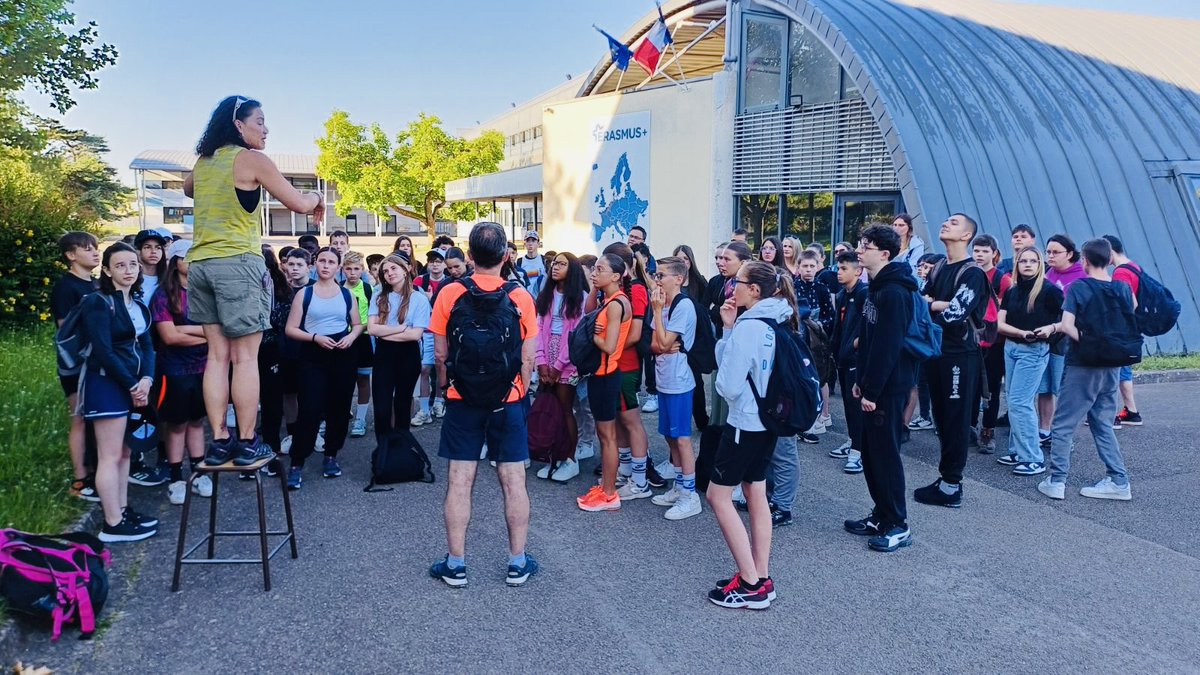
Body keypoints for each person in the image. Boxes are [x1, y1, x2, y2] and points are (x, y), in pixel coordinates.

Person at [183, 95, 324, 467]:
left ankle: (220, 440)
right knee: (246, 358)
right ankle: (246, 442)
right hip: (237, 264)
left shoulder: (204, 162)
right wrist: (316, 195)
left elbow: (187, 188)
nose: (265, 128)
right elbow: (298, 202)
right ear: (238, 124)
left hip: (199, 265)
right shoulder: (251, 159)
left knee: (217, 357)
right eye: (259, 121)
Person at [428, 222, 538, 587]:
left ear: (470, 256)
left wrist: (446, 389)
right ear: (507, 255)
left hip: (462, 397)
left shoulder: (449, 293)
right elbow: (527, 358)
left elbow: (440, 354)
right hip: (508, 398)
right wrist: (520, 392)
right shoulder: (521, 296)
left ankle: (456, 563)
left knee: (460, 480)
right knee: (513, 479)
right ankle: (517, 562)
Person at [708, 261, 797, 609]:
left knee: (718, 496)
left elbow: (727, 383)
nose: (733, 289)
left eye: (738, 283)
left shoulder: (750, 326)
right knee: (755, 492)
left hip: (746, 421)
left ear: (755, 290)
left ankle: (749, 583)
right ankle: (760, 575)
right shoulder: (779, 317)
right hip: (767, 421)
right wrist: (729, 329)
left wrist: (731, 334)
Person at [1036, 238, 1135, 502]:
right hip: (1112, 365)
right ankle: (1118, 481)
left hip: (1084, 363)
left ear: (1085, 261)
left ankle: (1056, 481)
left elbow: (1068, 325)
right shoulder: (1122, 288)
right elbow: (1133, 310)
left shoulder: (1079, 287)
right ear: (1109, 259)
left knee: (1063, 424)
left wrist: (1091, 342)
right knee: (1102, 423)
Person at [844, 224, 919, 552]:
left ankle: (898, 524)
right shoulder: (875, 286)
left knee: (886, 455)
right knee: (872, 454)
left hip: (889, 388)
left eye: (866, 246)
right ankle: (880, 514)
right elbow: (868, 341)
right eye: (860, 245)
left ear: (885, 254)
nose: (859, 251)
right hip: (873, 385)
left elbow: (889, 347)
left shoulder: (895, 292)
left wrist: (872, 392)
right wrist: (861, 382)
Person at [78, 243, 159, 542]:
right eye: (121, 265)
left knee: (126, 451)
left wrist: (147, 379)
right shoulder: (98, 303)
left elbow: (147, 345)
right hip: (106, 384)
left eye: (133, 265)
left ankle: (122, 510)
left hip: (134, 385)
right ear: (108, 270)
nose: (128, 271)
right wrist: (131, 384)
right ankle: (112, 523)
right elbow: (103, 350)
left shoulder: (137, 303)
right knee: (109, 455)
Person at [916, 213, 988, 508]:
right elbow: (919, 303)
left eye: (954, 222)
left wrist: (932, 303)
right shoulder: (940, 267)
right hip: (936, 350)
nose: (945, 223)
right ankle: (945, 478)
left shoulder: (973, 273)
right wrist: (934, 304)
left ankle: (952, 485)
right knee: (942, 418)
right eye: (945, 220)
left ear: (967, 236)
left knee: (957, 418)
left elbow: (954, 313)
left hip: (960, 354)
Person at [282, 247, 363, 488]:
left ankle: (331, 456)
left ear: (338, 267)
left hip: (342, 352)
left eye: (331, 262)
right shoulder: (304, 294)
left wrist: (351, 336)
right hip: (313, 353)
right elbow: (291, 329)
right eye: (322, 261)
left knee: (339, 408)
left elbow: (358, 324)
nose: (326, 266)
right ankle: (297, 462)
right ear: (315, 264)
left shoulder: (347, 295)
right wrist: (315, 338)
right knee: (310, 408)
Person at [150, 239, 215, 504]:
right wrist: (208, 335)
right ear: (176, 262)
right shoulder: (164, 295)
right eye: (189, 257)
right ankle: (176, 477)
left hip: (205, 366)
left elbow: (219, 328)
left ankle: (199, 471)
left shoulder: (206, 292)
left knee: (198, 420)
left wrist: (187, 330)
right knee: (177, 424)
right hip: (175, 369)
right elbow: (169, 337)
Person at [995, 246, 1062, 475]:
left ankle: (1033, 458)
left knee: (1020, 402)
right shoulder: (1013, 291)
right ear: (1017, 264)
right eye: (1023, 261)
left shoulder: (1050, 291)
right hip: (1012, 347)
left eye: (1033, 260)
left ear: (1040, 264)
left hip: (1034, 350)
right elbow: (999, 323)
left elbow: (1068, 320)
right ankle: (1017, 451)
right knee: (1014, 401)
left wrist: (1051, 328)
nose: (1028, 264)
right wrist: (1019, 333)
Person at [646, 257, 703, 520]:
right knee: (669, 438)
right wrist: (662, 341)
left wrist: (657, 311)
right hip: (663, 377)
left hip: (680, 379)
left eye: (662, 276)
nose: (657, 280)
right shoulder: (663, 303)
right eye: (656, 275)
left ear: (678, 279)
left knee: (681, 438)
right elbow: (654, 344)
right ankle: (679, 485)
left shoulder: (683, 305)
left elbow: (666, 341)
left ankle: (690, 496)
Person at [577, 254, 634, 512]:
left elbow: (610, 347)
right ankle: (606, 488)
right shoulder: (610, 300)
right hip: (603, 376)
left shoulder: (615, 304)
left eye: (600, 269)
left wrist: (593, 336)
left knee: (607, 437)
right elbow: (589, 310)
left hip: (606, 376)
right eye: (594, 269)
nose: (594, 273)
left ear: (616, 276)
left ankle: (609, 494)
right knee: (605, 436)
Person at [52, 232, 101, 502]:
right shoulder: (65, 287)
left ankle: (95, 472)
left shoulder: (94, 284)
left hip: (97, 362)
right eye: (87, 249)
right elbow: (65, 328)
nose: (95, 253)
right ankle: (79, 479)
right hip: (74, 365)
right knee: (79, 418)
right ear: (71, 255)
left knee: (95, 419)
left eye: (95, 248)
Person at [533, 252, 587, 482]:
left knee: (565, 409)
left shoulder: (580, 298)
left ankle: (570, 459)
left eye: (562, 264)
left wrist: (558, 364)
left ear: (572, 269)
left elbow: (575, 334)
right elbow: (538, 328)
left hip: (568, 359)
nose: (555, 267)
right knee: (549, 408)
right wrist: (541, 361)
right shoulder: (546, 295)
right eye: (555, 263)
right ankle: (553, 457)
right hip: (546, 354)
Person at [367, 254, 431, 440]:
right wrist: (399, 328)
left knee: (402, 405)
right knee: (382, 407)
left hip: (408, 355)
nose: (389, 273)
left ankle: (402, 449)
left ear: (406, 269)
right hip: (384, 354)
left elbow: (415, 335)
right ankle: (384, 451)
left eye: (393, 268)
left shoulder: (418, 298)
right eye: (385, 271)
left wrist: (385, 331)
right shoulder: (379, 296)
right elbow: (372, 329)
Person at [1039, 234, 1086, 447]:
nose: (1050, 256)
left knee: (1062, 389)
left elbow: (1074, 315)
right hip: (1045, 338)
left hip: (1066, 341)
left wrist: (1055, 327)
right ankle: (1044, 430)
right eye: (1048, 252)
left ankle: (1063, 435)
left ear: (1069, 254)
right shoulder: (1049, 273)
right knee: (1044, 388)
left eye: (1055, 252)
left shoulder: (1080, 277)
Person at [969, 234, 1012, 454]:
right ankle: (969, 427)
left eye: (984, 251)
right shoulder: (967, 274)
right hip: (970, 340)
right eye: (976, 250)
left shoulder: (1002, 279)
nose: (979, 255)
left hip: (994, 343)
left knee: (992, 389)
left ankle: (988, 429)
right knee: (970, 387)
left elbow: (1006, 310)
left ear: (994, 253)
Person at [830, 250, 868, 473]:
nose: (839, 273)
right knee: (847, 404)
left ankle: (859, 451)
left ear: (858, 271)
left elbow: (868, 327)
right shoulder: (843, 294)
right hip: (842, 358)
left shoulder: (864, 293)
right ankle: (853, 440)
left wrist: (855, 344)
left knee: (856, 407)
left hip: (855, 359)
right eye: (839, 268)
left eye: (844, 269)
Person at [256, 244, 292, 477]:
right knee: (246, 401)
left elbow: (281, 320)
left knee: (271, 401)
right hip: (241, 349)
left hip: (270, 348)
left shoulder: (279, 287)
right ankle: (247, 447)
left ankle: (271, 447)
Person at [1104, 234, 1144, 429]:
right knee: (1124, 371)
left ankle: (1109, 416)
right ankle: (1132, 412)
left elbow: (1131, 302)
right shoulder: (1134, 266)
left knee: (1113, 372)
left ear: (1110, 252)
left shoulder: (1120, 273)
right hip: (1131, 328)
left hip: (1122, 328)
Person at [673, 243, 711, 430]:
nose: (682, 262)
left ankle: (701, 419)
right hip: (675, 336)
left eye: (686, 259)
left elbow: (705, 308)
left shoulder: (699, 281)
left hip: (695, 339)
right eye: (679, 259)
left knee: (696, 380)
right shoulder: (671, 281)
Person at [414, 250, 450, 421]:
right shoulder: (419, 281)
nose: (435, 264)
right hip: (427, 331)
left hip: (443, 331)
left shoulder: (449, 282)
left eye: (438, 261)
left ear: (444, 264)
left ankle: (438, 401)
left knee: (440, 366)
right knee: (425, 368)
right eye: (431, 261)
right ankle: (423, 410)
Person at [342, 251, 373, 438]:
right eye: (348, 268)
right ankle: (340, 413)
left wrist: (359, 330)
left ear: (362, 269)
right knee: (343, 380)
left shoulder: (368, 289)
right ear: (342, 270)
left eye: (356, 268)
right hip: (342, 338)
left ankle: (360, 418)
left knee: (363, 379)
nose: (352, 272)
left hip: (362, 338)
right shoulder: (337, 288)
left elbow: (372, 315)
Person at [134, 229, 167, 306]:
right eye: (147, 247)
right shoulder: (131, 278)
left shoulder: (168, 279)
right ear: (138, 250)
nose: (153, 251)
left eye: (158, 247)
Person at [517, 230, 547, 296]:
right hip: (525, 298)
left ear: (538, 243)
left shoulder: (544, 260)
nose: (530, 243)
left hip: (541, 299)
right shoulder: (519, 262)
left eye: (533, 241)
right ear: (525, 244)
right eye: (528, 241)